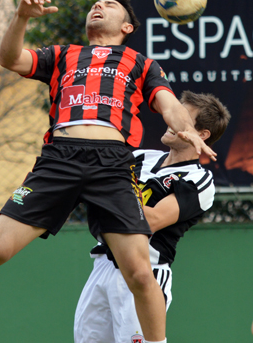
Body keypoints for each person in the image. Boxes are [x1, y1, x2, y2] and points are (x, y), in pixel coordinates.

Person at [0, 0, 216, 343]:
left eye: (109, 5)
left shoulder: (140, 63)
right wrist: (21, 16)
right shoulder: (63, 55)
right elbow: (10, 59)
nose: (98, 6)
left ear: (127, 26)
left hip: (112, 165)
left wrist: (188, 131)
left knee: (142, 275)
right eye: (94, 4)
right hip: (59, 159)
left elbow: (169, 105)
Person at [74, 90, 230, 343]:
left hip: (146, 272)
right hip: (103, 265)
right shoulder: (139, 157)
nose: (171, 119)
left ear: (201, 135)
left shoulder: (198, 180)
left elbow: (150, 221)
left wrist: (106, 192)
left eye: (182, 117)